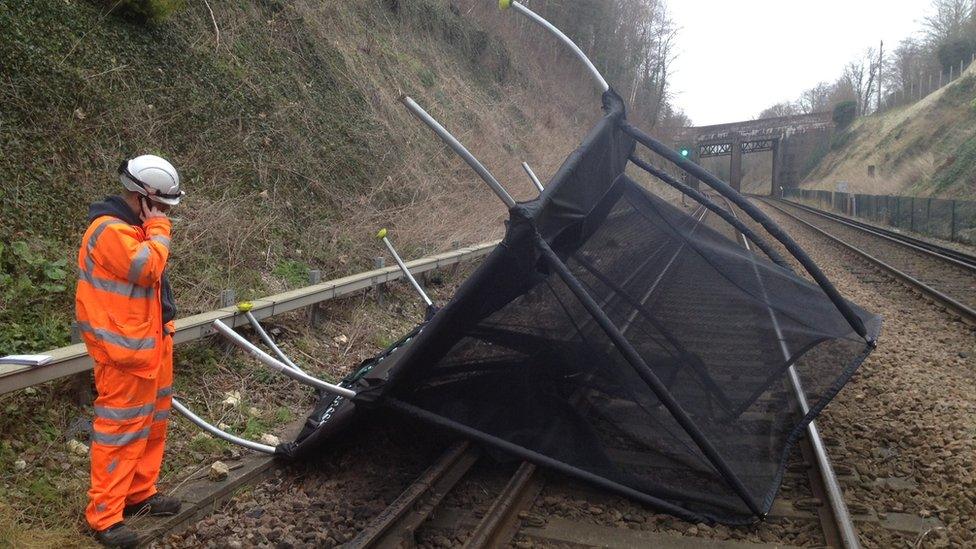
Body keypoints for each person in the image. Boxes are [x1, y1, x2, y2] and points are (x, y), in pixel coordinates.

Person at [75, 154, 185, 547]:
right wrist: (158, 226)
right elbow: (146, 269)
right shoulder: (109, 231)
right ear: (144, 198)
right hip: (123, 355)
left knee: (152, 425)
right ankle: (104, 516)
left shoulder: (133, 228)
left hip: (150, 345)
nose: (165, 214)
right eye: (162, 206)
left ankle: (140, 494)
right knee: (119, 432)